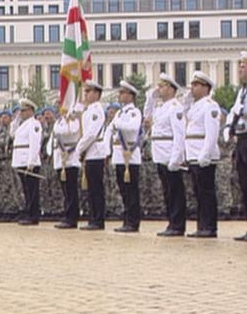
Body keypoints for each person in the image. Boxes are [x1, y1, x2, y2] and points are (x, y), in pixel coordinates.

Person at [144, 73, 187, 237]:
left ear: (171, 88)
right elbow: (147, 117)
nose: (159, 89)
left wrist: (176, 157)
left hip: (170, 154)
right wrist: (151, 98)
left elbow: (179, 133)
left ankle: (177, 225)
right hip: (160, 154)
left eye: (161, 86)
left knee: (175, 191)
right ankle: (172, 222)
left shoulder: (175, 106)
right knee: (167, 191)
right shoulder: (161, 107)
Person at [184, 71, 221, 239]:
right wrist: (186, 100)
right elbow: (187, 118)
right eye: (193, 84)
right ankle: (202, 225)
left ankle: (209, 227)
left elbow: (212, 132)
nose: (193, 88)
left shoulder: (210, 105)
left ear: (206, 88)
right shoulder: (195, 106)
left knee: (206, 192)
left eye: (196, 85)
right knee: (198, 192)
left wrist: (205, 154)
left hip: (204, 155)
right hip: (193, 154)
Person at [109, 81, 144, 233]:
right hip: (119, 155)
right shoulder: (120, 113)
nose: (120, 95)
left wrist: (117, 122)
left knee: (132, 191)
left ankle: (133, 221)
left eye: (122, 92)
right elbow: (111, 131)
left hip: (130, 154)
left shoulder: (134, 112)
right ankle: (127, 219)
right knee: (123, 190)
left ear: (130, 95)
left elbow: (133, 127)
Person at [76, 81, 108, 231]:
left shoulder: (97, 110)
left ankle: (98, 219)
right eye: (85, 91)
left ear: (96, 93)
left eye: (88, 91)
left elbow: (91, 134)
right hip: (89, 153)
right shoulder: (88, 111)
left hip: (95, 152)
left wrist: (79, 148)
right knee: (91, 189)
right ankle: (93, 217)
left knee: (96, 188)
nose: (86, 94)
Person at [10, 99, 43, 225]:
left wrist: (31, 162)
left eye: (24, 111)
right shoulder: (22, 125)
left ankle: (33, 215)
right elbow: (12, 133)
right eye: (21, 111)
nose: (21, 113)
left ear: (31, 111)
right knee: (26, 190)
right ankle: (29, 213)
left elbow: (35, 144)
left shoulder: (34, 124)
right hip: (20, 160)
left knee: (32, 190)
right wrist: (16, 119)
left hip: (29, 161)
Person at [51, 104, 83, 229]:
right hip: (61, 159)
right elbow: (57, 132)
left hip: (71, 158)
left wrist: (70, 118)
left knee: (71, 189)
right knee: (65, 190)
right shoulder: (59, 121)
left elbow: (70, 132)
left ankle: (72, 217)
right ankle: (67, 214)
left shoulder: (74, 122)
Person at [227, 52, 247, 242]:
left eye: (243, 65)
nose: (240, 69)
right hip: (242, 141)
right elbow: (234, 111)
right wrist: (228, 128)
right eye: (240, 65)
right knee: (244, 184)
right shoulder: (241, 92)